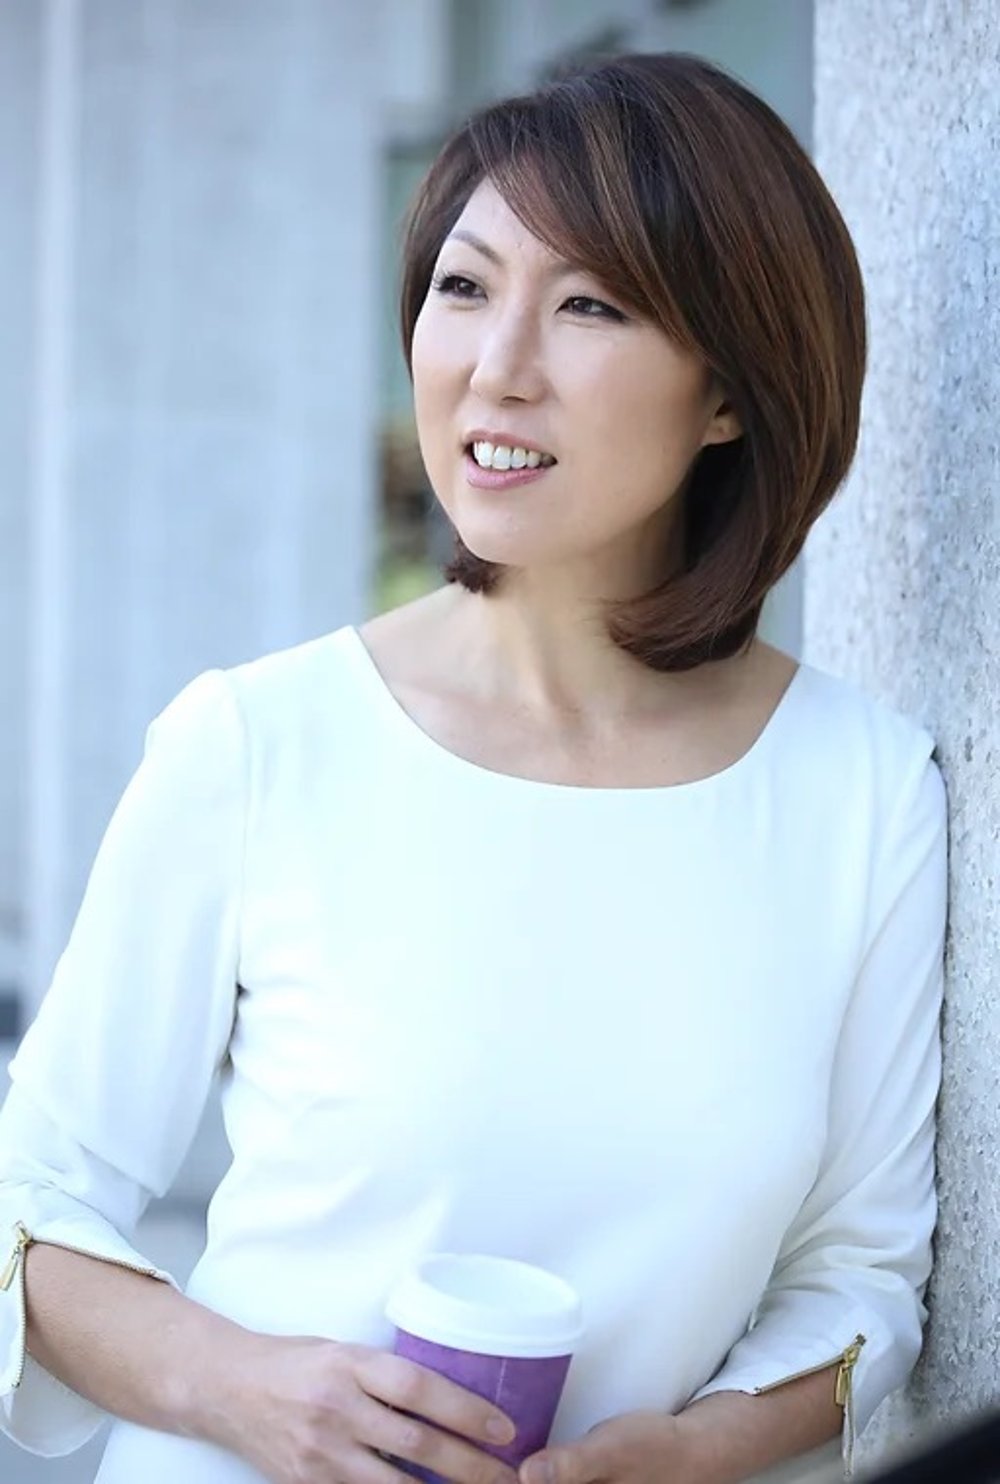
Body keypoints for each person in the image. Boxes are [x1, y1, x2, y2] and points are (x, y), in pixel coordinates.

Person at [0, 50, 947, 1484]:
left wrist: (695, 1454)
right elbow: (32, 1200)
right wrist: (239, 1387)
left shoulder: (864, 793)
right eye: (464, 287)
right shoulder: (258, 743)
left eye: (589, 305)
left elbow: (861, 1276)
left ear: (730, 397)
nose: (497, 367)